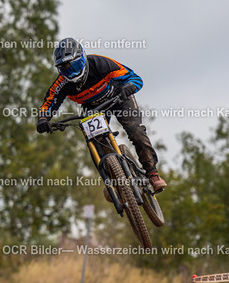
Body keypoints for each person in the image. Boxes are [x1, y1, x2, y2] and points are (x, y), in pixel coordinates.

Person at [36, 37, 167, 191]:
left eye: (74, 66)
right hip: (94, 107)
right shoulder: (62, 83)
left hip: (119, 97)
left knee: (136, 131)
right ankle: (113, 180)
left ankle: (152, 173)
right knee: (94, 140)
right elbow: (49, 103)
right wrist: (43, 119)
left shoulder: (101, 64)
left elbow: (135, 78)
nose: (71, 73)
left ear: (83, 59)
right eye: (65, 70)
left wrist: (129, 87)